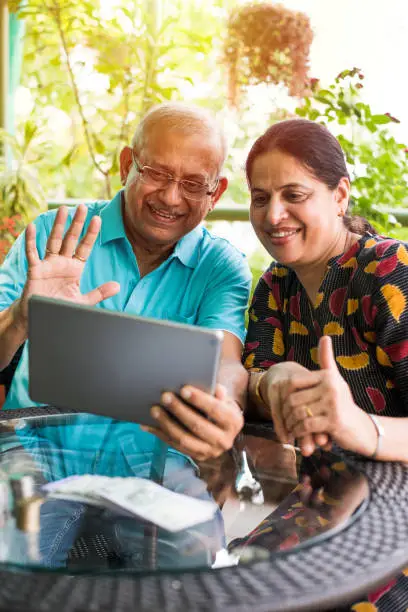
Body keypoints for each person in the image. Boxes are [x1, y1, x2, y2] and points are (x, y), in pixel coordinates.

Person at [0, 102, 252, 461]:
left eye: (194, 184)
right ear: (125, 166)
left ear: (217, 193)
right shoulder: (52, 235)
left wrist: (224, 405)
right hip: (32, 458)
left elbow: (227, 363)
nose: (170, 197)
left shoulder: (220, 267)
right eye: (157, 173)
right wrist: (21, 318)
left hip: (155, 475)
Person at [243, 118, 408, 463]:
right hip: (318, 494)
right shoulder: (276, 285)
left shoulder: (390, 270)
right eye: (261, 198)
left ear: (340, 196)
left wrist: (363, 428)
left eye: (294, 195)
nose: (273, 215)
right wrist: (272, 381)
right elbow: (250, 387)